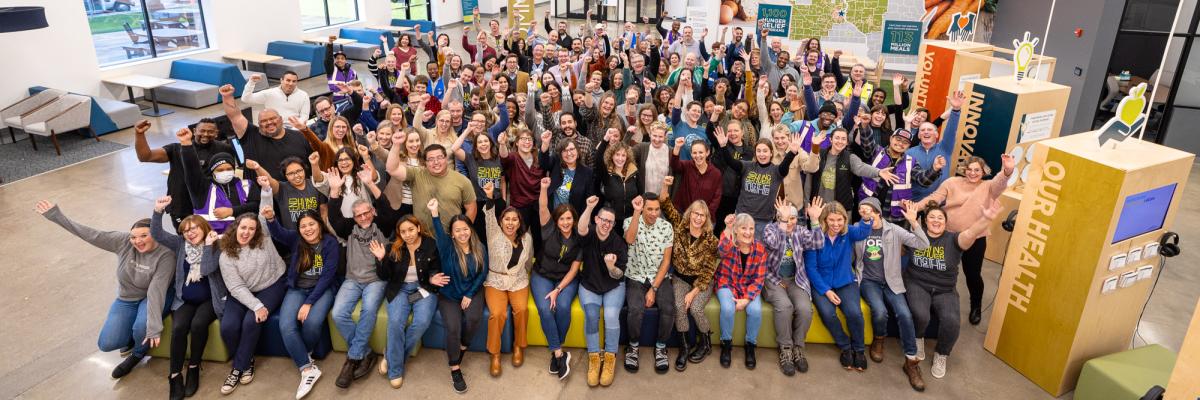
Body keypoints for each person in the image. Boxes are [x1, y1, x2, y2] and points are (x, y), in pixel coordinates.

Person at [34, 200, 174, 380]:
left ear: (155, 234)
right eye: (134, 236)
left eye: (144, 236)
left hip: (153, 295)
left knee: (142, 327)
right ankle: (130, 336)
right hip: (127, 298)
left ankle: (137, 354)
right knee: (107, 343)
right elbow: (91, 235)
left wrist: (153, 327)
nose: (137, 241)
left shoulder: (166, 254)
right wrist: (56, 216)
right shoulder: (124, 242)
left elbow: (156, 292)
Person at [908, 200, 1002, 380]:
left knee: (952, 321)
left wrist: (986, 219)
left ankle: (941, 354)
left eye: (940, 218)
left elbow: (972, 232)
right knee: (920, 314)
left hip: (945, 289)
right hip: (918, 283)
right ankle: (918, 338)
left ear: (946, 222)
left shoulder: (954, 239)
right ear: (925, 221)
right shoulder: (915, 236)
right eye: (932, 217)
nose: (936, 221)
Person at [916, 154, 1015, 325]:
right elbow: (935, 198)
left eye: (977, 170)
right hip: (948, 236)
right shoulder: (951, 182)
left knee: (973, 274)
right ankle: (934, 303)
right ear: (964, 170)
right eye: (969, 169)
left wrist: (1007, 171)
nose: (972, 173)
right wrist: (915, 207)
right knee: (940, 270)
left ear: (983, 171)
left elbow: (1000, 183)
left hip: (975, 237)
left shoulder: (989, 186)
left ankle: (976, 306)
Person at [325, 169, 401, 389]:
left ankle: (352, 360)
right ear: (354, 217)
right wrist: (335, 190)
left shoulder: (382, 226)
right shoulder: (349, 228)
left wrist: (371, 184)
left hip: (376, 279)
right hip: (351, 280)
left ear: (372, 212)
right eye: (359, 215)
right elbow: (333, 216)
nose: (364, 217)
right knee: (338, 314)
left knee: (369, 309)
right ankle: (365, 352)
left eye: (367, 213)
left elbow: (387, 209)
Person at [150, 196, 225, 399]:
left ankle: (193, 366)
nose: (190, 233)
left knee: (199, 324)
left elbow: (208, 268)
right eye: (185, 230)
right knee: (179, 328)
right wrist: (157, 211)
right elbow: (156, 233)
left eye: (194, 228)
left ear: (203, 228)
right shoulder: (180, 244)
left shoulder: (217, 245)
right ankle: (175, 375)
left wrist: (209, 247)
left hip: (210, 299)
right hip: (185, 299)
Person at [260, 205, 338, 399]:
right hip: (297, 289)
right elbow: (278, 233)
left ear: (319, 225)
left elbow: (327, 277)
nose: (308, 229)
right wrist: (270, 219)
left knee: (311, 323)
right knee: (286, 325)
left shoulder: (330, 243)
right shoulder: (296, 240)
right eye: (303, 226)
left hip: (321, 289)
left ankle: (304, 351)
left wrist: (309, 303)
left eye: (312, 224)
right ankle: (307, 368)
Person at [854, 198, 928, 391]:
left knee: (904, 314)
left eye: (867, 209)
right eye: (861, 210)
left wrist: (914, 222)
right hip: (868, 281)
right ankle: (879, 340)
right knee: (879, 312)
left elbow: (922, 245)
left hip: (892, 281)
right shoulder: (857, 228)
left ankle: (911, 361)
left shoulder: (893, 230)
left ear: (877, 212)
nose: (863, 212)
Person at [373, 215, 449, 388]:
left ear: (418, 228)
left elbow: (435, 269)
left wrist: (432, 279)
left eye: (411, 230)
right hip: (399, 289)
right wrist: (381, 259)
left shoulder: (430, 244)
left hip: (424, 288)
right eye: (403, 231)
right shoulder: (394, 247)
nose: (407, 235)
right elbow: (384, 276)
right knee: (395, 323)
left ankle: (390, 356)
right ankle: (396, 370)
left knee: (421, 322)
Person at [217, 213, 287, 395]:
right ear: (235, 228)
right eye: (243, 227)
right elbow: (236, 286)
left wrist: (265, 188)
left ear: (257, 230)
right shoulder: (226, 255)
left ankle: (237, 369)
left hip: (272, 284)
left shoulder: (264, 238)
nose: (247, 232)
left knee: (251, 321)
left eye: (251, 228)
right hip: (242, 291)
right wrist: (256, 305)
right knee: (228, 327)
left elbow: (265, 209)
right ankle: (247, 361)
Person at [656, 176, 719, 369]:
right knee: (679, 306)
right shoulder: (680, 226)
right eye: (695, 214)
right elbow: (665, 203)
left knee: (696, 308)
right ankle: (684, 347)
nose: (698, 218)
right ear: (690, 214)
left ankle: (706, 343)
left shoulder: (711, 240)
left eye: (702, 215)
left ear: (706, 218)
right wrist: (666, 185)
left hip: (702, 281)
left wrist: (694, 292)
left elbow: (709, 270)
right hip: (680, 278)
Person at [428, 198, 488, 393]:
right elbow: (438, 230)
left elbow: (483, 273)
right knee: (453, 327)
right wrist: (434, 213)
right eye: (457, 230)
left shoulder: (479, 247)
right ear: (452, 235)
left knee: (473, 318)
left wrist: (470, 294)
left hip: (472, 290)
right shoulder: (447, 248)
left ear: (470, 230)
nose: (462, 233)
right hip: (449, 294)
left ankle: (464, 345)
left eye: (465, 229)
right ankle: (455, 367)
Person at [760, 197, 825, 376]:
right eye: (786, 218)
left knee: (805, 309)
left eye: (793, 218)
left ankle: (798, 347)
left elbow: (819, 243)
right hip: (772, 279)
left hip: (795, 279)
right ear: (777, 217)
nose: (790, 222)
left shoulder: (800, 231)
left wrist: (814, 220)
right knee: (785, 306)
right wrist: (782, 220)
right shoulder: (769, 229)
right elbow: (774, 244)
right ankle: (786, 349)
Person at [804, 202, 871, 372]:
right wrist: (826, 291)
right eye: (831, 220)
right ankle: (845, 346)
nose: (836, 224)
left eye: (839, 220)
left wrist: (866, 218)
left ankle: (859, 350)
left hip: (845, 281)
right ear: (824, 220)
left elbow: (864, 231)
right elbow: (811, 268)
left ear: (845, 219)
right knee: (827, 313)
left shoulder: (848, 232)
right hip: (822, 284)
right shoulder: (816, 235)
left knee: (854, 313)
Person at [133, 119, 233, 228]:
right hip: (181, 206)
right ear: (194, 131)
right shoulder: (176, 149)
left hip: (211, 206)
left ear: (216, 133)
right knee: (187, 239)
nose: (205, 134)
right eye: (202, 131)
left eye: (210, 131)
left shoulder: (224, 149)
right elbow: (145, 156)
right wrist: (139, 134)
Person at [479, 182, 533, 376]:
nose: (510, 223)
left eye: (514, 220)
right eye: (507, 219)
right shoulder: (493, 233)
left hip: (518, 280)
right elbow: (489, 215)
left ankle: (519, 345)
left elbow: (528, 262)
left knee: (522, 309)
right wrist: (489, 196)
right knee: (498, 314)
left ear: (519, 223)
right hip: (496, 281)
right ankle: (495, 354)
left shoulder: (527, 238)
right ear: (501, 222)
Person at [532, 177, 583, 380]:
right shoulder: (549, 229)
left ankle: (556, 352)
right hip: (542, 274)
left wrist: (558, 289)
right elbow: (543, 206)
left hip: (565, 280)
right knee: (545, 308)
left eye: (569, 218)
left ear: (574, 220)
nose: (565, 222)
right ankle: (559, 353)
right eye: (562, 219)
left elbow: (573, 270)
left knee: (562, 307)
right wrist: (544, 187)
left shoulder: (579, 239)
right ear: (556, 220)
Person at [621, 193, 675, 373]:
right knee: (635, 309)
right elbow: (629, 239)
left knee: (668, 309)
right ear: (642, 207)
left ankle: (661, 347)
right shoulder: (630, 221)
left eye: (657, 209)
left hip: (658, 277)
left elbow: (667, 262)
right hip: (635, 275)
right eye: (649, 209)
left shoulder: (667, 227)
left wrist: (654, 288)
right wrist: (636, 213)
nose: (653, 213)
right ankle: (633, 346)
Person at [576, 196, 627, 387]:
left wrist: (611, 267)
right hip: (590, 285)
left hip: (613, 286)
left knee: (612, 315)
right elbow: (581, 228)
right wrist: (589, 207)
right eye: (603, 220)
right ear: (597, 220)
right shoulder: (589, 233)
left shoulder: (618, 243)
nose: (606, 224)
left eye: (610, 222)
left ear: (613, 225)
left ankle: (610, 358)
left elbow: (619, 274)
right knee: (591, 315)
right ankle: (594, 358)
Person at [221, 84, 313, 182]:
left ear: (281, 119)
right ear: (259, 124)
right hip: (261, 194)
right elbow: (235, 116)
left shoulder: (298, 136)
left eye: (273, 118)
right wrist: (227, 97)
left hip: (298, 193)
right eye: (264, 121)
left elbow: (311, 164)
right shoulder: (251, 135)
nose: (269, 122)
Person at [714, 213, 768, 369]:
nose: (748, 232)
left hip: (748, 285)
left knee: (756, 310)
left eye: (751, 228)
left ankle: (750, 345)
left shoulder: (759, 248)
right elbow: (720, 251)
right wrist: (728, 228)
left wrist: (747, 299)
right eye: (743, 228)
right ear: (736, 230)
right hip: (727, 282)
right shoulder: (730, 242)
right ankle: (726, 343)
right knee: (727, 308)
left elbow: (759, 279)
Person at [385, 143, 478, 231]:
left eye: (440, 157)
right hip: (423, 237)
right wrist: (396, 144)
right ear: (425, 162)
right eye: (431, 159)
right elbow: (392, 169)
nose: (436, 162)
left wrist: (462, 231)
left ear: (446, 158)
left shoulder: (462, 180)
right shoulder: (416, 174)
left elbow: (471, 208)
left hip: (451, 237)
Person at [180, 144, 260, 234]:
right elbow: (191, 169)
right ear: (212, 172)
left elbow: (256, 206)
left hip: (243, 237)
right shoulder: (202, 188)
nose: (225, 172)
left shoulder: (247, 185)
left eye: (229, 169)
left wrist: (232, 211)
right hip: (213, 240)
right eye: (220, 170)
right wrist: (186, 145)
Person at [907, 91, 964, 201]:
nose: (926, 132)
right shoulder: (909, 153)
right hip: (914, 200)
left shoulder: (945, 148)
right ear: (918, 135)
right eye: (923, 130)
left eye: (930, 130)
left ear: (937, 134)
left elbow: (951, 130)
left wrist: (956, 110)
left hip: (939, 200)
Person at [593, 131, 642, 225]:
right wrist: (605, 139)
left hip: (631, 218)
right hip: (612, 220)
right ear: (612, 156)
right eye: (617, 154)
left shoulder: (634, 171)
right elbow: (598, 158)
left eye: (623, 155)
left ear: (627, 157)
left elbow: (641, 193)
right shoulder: (607, 173)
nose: (620, 158)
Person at [670, 136, 723, 218]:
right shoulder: (687, 166)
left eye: (701, 152)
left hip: (703, 217)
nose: (698, 156)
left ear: (707, 152)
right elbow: (674, 164)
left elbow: (716, 199)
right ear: (691, 154)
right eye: (694, 153)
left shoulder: (716, 173)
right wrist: (677, 147)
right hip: (683, 214)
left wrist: (704, 215)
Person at [242, 73, 310, 125]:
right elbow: (246, 99)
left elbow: (304, 116)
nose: (290, 83)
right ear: (281, 80)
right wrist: (251, 82)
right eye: (288, 80)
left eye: (294, 81)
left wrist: (296, 128)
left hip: (294, 129)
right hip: (273, 127)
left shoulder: (303, 95)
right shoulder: (270, 93)